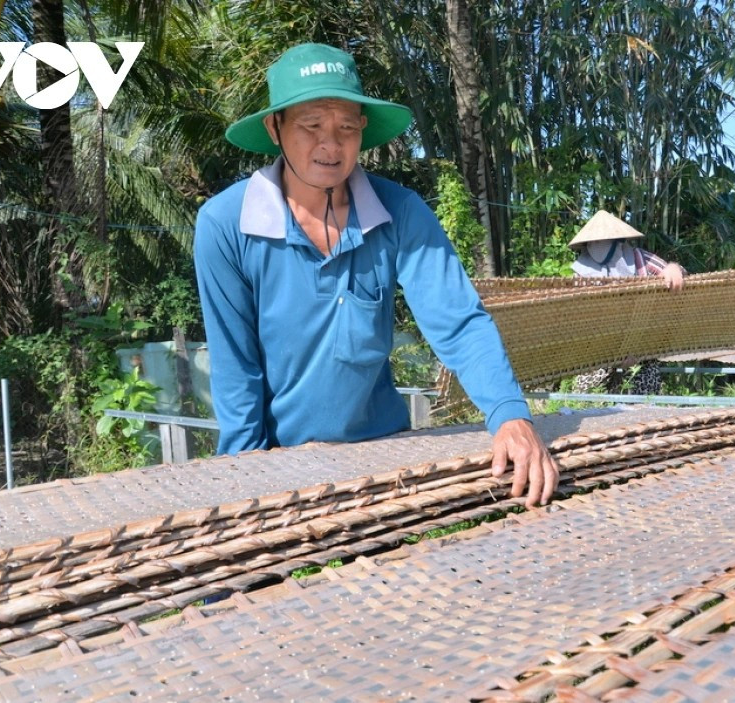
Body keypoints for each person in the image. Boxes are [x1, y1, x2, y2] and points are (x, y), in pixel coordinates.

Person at [194, 43, 558, 506]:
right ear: (275, 127)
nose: (331, 145)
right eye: (311, 126)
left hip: (384, 461)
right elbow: (235, 365)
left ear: (362, 130)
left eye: (347, 127)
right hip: (280, 462)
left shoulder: (399, 211)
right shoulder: (227, 224)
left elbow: (458, 319)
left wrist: (509, 415)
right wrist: (248, 478)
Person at [568, 210, 688, 395]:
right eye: (594, 242)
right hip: (597, 352)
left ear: (619, 241)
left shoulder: (640, 260)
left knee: (644, 393)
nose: (598, 246)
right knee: (586, 396)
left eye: (604, 241)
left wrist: (674, 269)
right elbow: (580, 322)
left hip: (642, 348)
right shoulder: (582, 273)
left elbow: (678, 274)